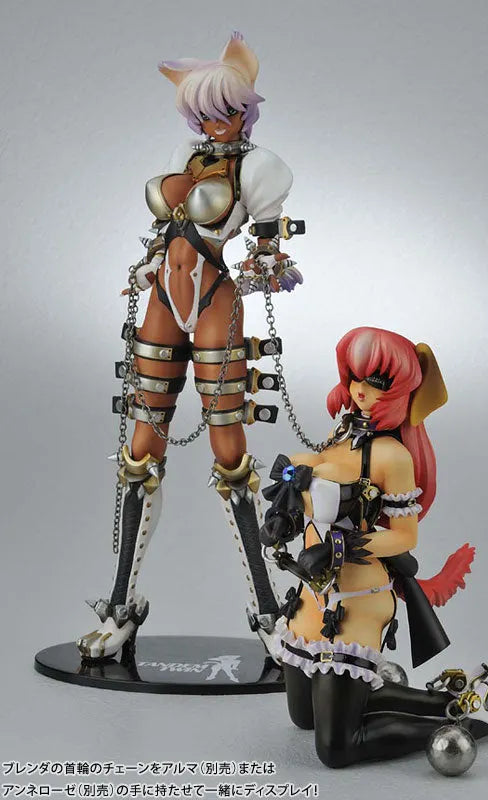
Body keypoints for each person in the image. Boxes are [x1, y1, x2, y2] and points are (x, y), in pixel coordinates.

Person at [77, 32, 304, 661]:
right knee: (139, 450)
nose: (211, 122)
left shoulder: (259, 167)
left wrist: (266, 265)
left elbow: (267, 244)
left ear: (245, 109)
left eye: (223, 110)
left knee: (230, 452)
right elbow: (166, 230)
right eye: (201, 112)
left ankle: (267, 613)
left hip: (213, 302)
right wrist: (147, 264)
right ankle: (120, 607)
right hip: (162, 297)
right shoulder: (188, 153)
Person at [260, 326, 488, 768]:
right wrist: (281, 521)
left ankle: (476, 720)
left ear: (403, 391)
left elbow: (405, 537)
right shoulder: (338, 435)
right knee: (303, 718)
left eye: (377, 382)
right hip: (310, 599)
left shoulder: (391, 456)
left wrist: (339, 549)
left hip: (355, 603)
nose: (360, 390)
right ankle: (447, 699)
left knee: (337, 748)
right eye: (354, 376)